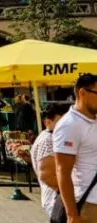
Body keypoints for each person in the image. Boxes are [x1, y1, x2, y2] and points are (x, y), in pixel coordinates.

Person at [54, 73, 97, 223]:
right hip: (89, 204)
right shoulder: (69, 125)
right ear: (83, 93)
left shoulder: (93, 120)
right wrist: (72, 214)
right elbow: (62, 171)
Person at [32, 103, 70, 219]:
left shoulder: (52, 136)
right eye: (63, 122)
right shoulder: (49, 140)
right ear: (48, 122)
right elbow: (47, 176)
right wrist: (73, 191)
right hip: (58, 199)